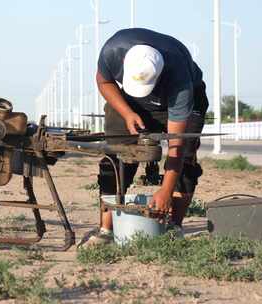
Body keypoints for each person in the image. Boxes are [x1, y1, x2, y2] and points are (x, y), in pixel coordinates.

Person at [79, 28, 209, 247]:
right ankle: (106, 230)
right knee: (116, 155)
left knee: (185, 159)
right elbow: (104, 82)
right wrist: (127, 112)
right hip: (130, 103)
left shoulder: (179, 80)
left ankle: (173, 228)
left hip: (182, 100)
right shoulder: (113, 51)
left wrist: (166, 190)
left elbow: (176, 144)